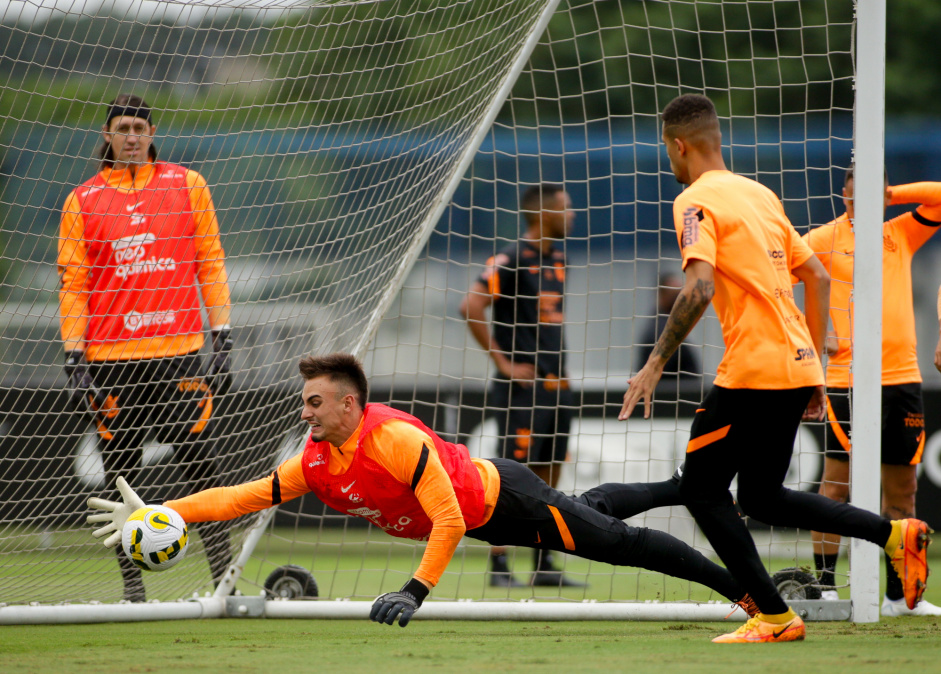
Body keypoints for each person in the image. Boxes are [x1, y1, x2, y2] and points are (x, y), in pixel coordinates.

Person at [88, 352, 760, 627]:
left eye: (315, 402)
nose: (305, 412)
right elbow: (241, 497)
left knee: (619, 546)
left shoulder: (396, 441)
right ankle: (676, 486)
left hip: (506, 499)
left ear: (350, 405)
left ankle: (748, 595)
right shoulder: (316, 459)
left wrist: (414, 591)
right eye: (304, 402)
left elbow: (446, 521)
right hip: (487, 512)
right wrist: (163, 509)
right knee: (595, 511)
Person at [619, 93, 931, 643]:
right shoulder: (760, 194)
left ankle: (775, 615)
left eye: (667, 150)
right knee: (762, 497)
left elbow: (699, 286)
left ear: (678, 145)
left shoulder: (694, 201)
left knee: (702, 488)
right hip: (794, 367)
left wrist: (653, 365)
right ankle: (892, 533)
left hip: (752, 371)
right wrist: (811, 363)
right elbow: (818, 277)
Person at [59, 94, 234, 601]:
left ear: (151, 133)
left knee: (202, 466)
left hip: (179, 354)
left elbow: (211, 264)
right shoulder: (83, 200)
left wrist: (221, 338)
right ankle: (133, 594)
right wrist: (74, 355)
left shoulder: (188, 184)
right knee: (122, 482)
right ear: (108, 136)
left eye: (139, 127)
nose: (132, 136)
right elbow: (74, 285)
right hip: (111, 361)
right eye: (122, 128)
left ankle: (223, 580)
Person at [804, 168, 941, 616]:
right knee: (835, 486)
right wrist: (812, 331)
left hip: (902, 380)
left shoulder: (898, 232)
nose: (859, 202)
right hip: (847, 381)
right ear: (842, 196)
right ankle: (825, 589)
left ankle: (900, 598)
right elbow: (777, 273)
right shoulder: (825, 238)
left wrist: (892, 193)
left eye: (869, 195)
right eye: (852, 194)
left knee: (902, 493)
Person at [460, 183, 583, 588]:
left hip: (557, 386)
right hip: (522, 391)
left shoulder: (560, 255)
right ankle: (498, 564)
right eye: (565, 207)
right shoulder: (510, 258)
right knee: (512, 475)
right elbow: (471, 306)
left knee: (549, 475)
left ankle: (544, 563)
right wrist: (503, 362)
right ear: (542, 214)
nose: (573, 214)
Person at [635, 271, 702, 382]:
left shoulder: (669, 326)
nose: (681, 300)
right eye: (675, 295)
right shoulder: (661, 331)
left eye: (681, 295)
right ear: (662, 295)